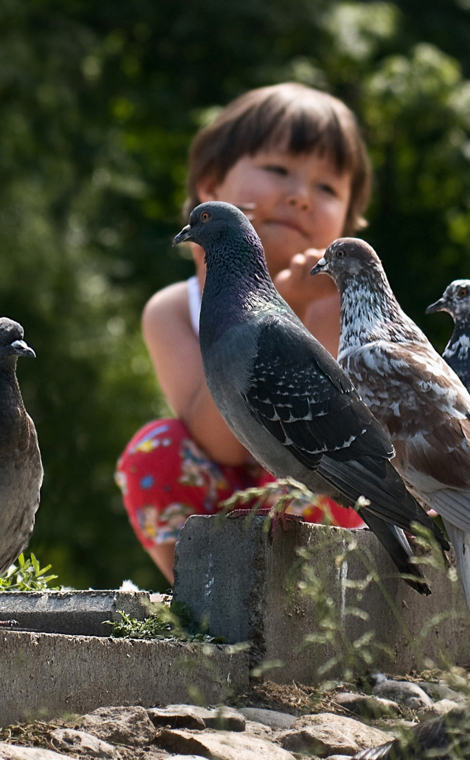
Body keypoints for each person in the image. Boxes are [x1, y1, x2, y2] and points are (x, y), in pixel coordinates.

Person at [115, 83, 374, 583]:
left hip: (322, 479)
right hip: (227, 487)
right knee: (156, 450)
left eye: (327, 188)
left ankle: (331, 597)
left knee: (323, 473)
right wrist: (281, 308)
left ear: (349, 221)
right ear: (210, 186)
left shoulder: (345, 306)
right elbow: (225, 446)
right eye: (278, 170)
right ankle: (205, 601)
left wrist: (303, 310)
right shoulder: (173, 309)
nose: (299, 195)